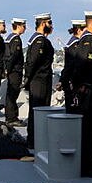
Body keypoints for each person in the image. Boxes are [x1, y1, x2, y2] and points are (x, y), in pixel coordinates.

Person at [60, 11, 92, 177]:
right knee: (88, 131)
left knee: (88, 130)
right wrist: (81, 86)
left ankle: (86, 164)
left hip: (89, 92)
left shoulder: (90, 41)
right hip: (88, 94)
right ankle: (87, 166)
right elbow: (81, 66)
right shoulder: (88, 42)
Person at [23, 13, 55, 148]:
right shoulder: (40, 41)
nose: (52, 26)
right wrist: (27, 79)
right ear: (43, 24)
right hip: (39, 81)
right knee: (39, 111)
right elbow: (32, 62)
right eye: (50, 23)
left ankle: (34, 140)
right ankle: (34, 142)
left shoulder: (35, 39)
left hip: (39, 80)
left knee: (37, 111)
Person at [2, 17, 26, 126]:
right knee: (13, 94)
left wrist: (6, 69)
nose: (24, 28)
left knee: (10, 94)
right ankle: (12, 118)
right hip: (15, 70)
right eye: (23, 26)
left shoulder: (8, 38)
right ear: (19, 26)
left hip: (11, 70)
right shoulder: (16, 39)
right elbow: (14, 56)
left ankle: (9, 116)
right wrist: (9, 69)